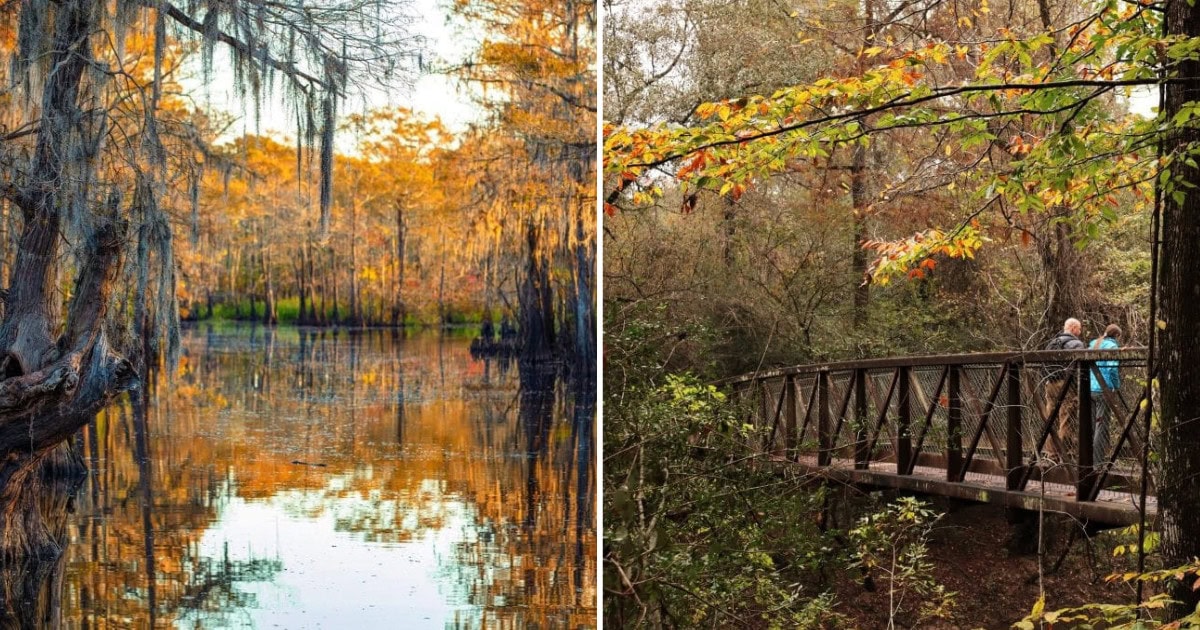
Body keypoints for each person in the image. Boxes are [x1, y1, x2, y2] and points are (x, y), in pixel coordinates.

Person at [1043, 318, 1086, 463]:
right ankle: (1065, 455)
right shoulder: (1076, 344)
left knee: (1051, 420)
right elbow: (1081, 367)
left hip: (1050, 383)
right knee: (1067, 419)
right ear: (1073, 328)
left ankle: (1052, 456)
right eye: (1079, 329)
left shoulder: (1051, 344)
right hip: (1067, 384)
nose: (1080, 332)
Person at [1089, 324, 1122, 468]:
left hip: (1090, 389)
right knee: (1101, 427)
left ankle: (1088, 460)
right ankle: (1097, 463)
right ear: (1117, 336)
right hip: (1104, 390)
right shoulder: (1112, 347)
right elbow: (1112, 368)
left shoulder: (1093, 345)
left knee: (1091, 426)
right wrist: (1116, 386)